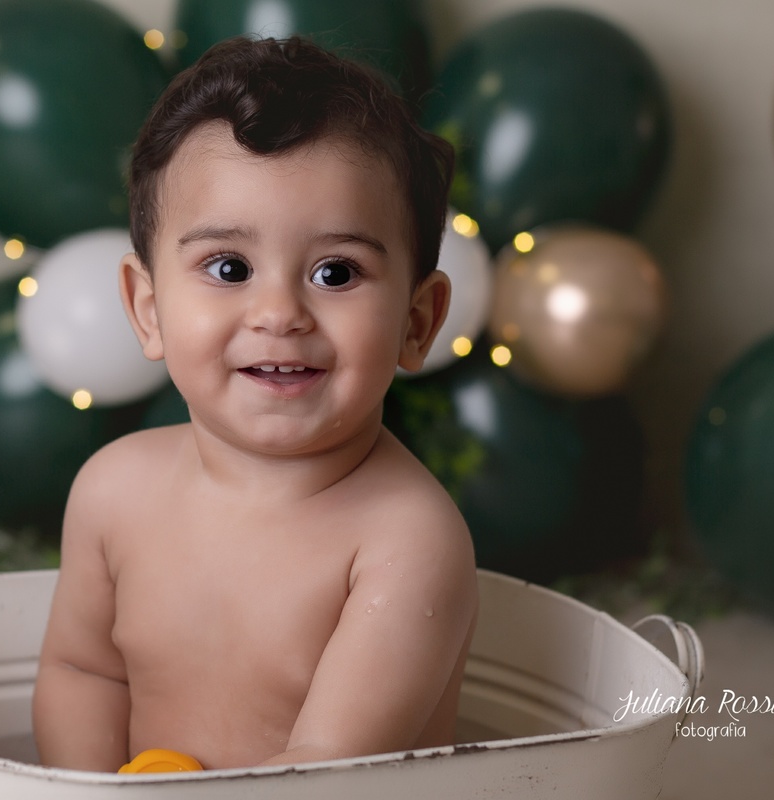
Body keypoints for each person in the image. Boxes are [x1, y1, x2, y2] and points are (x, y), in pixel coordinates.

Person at [32, 35, 478, 773]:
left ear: (417, 322)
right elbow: (84, 673)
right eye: (229, 267)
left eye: (337, 272)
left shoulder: (406, 541)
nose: (279, 313)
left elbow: (326, 770)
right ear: (147, 309)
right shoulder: (113, 491)